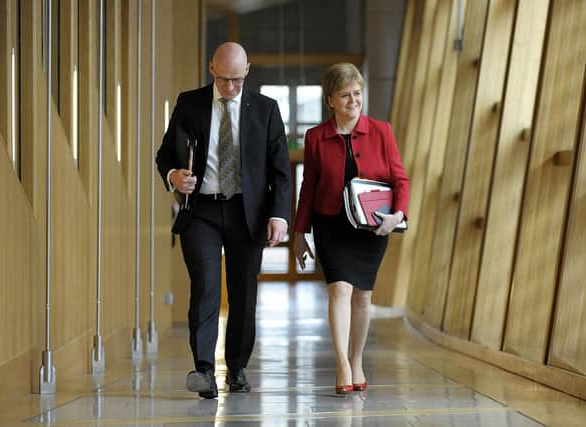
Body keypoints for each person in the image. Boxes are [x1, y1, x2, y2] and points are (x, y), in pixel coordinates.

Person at [156, 42, 291, 399]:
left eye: (236, 79)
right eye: (223, 79)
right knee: (205, 287)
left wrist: (278, 215)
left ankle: (236, 367)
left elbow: (281, 172)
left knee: (244, 292)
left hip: (248, 212)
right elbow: (165, 154)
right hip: (201, 210)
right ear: (211, 68)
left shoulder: (266, 109)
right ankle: (203, 369)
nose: (229, 87)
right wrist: (174, 176)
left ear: (247, 70)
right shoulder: (190, 103)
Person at [292, 63, 410, 394]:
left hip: (372, 228)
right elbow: (309, 188)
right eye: (345, 95)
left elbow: (400, 179)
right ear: (330, 99)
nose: (353, 101)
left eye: (357, 94)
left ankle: (357, 360)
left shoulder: (382, 131)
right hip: (330, 223)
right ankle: (342, 364)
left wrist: (397, 214)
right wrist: (300, 235)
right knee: (340, 289)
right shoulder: (316, 137)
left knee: (363, 296)